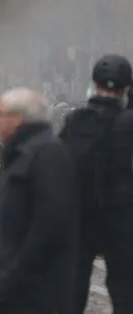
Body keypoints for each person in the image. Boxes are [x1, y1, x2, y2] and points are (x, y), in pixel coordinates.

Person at [0, 87, 77, 314]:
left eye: (1, 114)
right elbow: (13, 213)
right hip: (14, 290)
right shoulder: (20, 154)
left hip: (35, 294)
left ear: (18, 118)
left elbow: (49, 227)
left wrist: (13, 276)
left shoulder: (49, 155)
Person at [61, 54, 133, 313]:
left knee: (72, 290)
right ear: (127, 88)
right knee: (125, 292)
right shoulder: (129, 122)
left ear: (94, 83)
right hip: (123, 220)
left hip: (81, 217)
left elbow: (61, 168)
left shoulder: (75, 120)